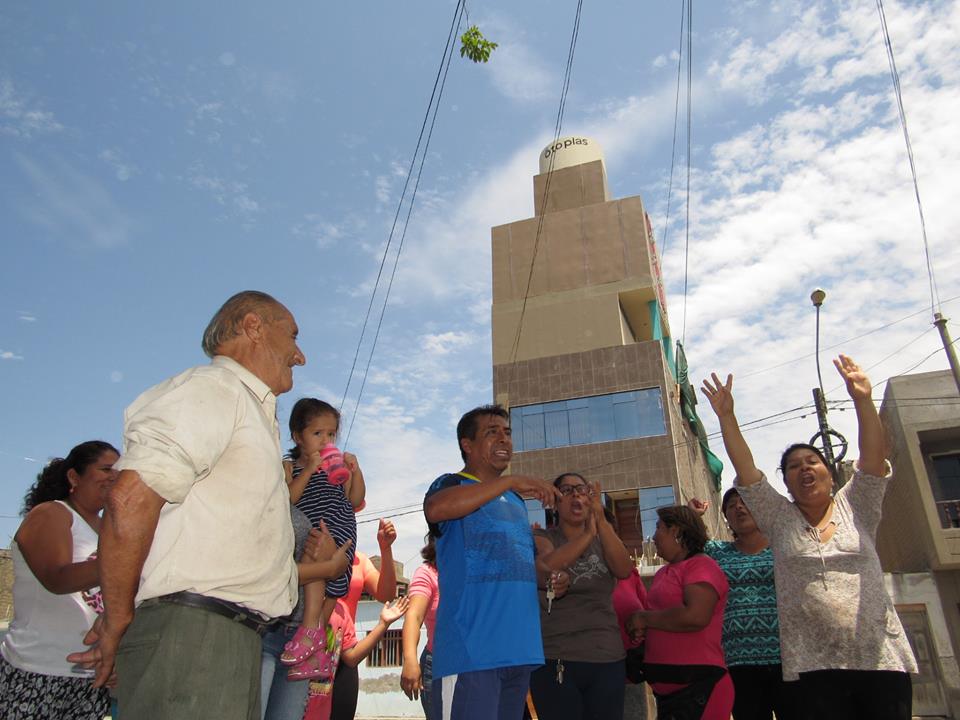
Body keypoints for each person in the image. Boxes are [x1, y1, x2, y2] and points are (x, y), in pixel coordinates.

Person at [68, 290, 306, 720]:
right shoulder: (215, 389)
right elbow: (128, 499)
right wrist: (118, 617)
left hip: (226, 639)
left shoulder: (247, 409)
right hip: (197, 638)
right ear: (253, 327)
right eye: (292, 336)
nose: (300, 356)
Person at [700, 355, 917, 720]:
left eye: (812, 461)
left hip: (880, 659)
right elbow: (746, 470)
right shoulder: (779, 519)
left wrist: (863, 399)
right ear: (785, 481)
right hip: (812, 669)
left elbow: (873, 459)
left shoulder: (857, 505)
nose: (804, 468)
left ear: (830, 474)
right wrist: (727, 417)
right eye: (793, 466)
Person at [423, 404, 560, 720]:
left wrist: (551, 579)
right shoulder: (452, 483)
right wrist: (509, 482)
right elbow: (436, 509)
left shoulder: (516, 501)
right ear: (467, 445)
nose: (504, 439)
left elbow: (522, 565)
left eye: (507, 433)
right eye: (492, 432)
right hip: (471, 654)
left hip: (519, 652)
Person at [0, 441, 118, 720]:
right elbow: (57, 578)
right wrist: (124, 562)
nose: (115, 477)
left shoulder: (110, 531)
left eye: (120, 472)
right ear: (74, 477)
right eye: (106, 469)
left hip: (89, 680)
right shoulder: (52, 513)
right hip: (35, 670)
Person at [528, 473, 633, 719]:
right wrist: (586, 535)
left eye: (581, 489)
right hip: (556, 657)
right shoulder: (543, 538)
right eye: (566, 490)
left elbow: (624, 569)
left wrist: (601, 521)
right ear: (555, 503)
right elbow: (545, 566)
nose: (575, 494)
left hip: (606, 657)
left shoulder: (604, 539)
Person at [688, 490, 795, 720]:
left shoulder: (784, 547)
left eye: (744, 502)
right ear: (726, 517)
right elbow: (689, 546)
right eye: (731, 505)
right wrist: (693, 516)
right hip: (737, 662)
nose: (738, 507)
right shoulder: (717, 553)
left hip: (788, 659)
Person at [280, 399, 365, 679]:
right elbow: (288, 500)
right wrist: (308, 470)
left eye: (331, 434)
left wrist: (355, 471)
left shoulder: (336, 468)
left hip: (338, 527)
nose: (325, 441)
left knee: (328, 578)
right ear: (297, 436)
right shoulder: (290, 468)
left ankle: (310, 631)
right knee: (321, 576)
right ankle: (318, 650)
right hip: (311, 528)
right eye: (317, 433)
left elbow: (355, 499)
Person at [626, 506, 733, 720]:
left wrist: (644, 619)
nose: (653, 537)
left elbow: (696, 616)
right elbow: (664, 619)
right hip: (668, 695)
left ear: (675, 531)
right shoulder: (663, 573)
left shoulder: (701, 566)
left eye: (658, 528)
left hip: (701, 689)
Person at [261, 511, 353, 720]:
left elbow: (337, 585)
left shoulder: (318, 510)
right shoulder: (267, 499)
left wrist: (332, 562)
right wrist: (327, 568)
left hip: (299, 639)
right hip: (263, 628)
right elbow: (263, 574)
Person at [329, 521, 398, 720]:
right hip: (311, 649)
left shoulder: (359, 560)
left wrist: (385, 549)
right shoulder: (312, 548)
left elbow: (386, 594)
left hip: (346, 654)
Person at [303, 596, 409, 720]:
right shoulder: (298, 605)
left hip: (321, 710)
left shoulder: (340, 610)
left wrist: (383, 624)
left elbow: (351, 657)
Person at [400, 536, 439, 718]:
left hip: (475, 665)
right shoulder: (427, 573)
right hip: (437, 664)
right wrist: (410, 659)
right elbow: (414, 616)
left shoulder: (472, 570)